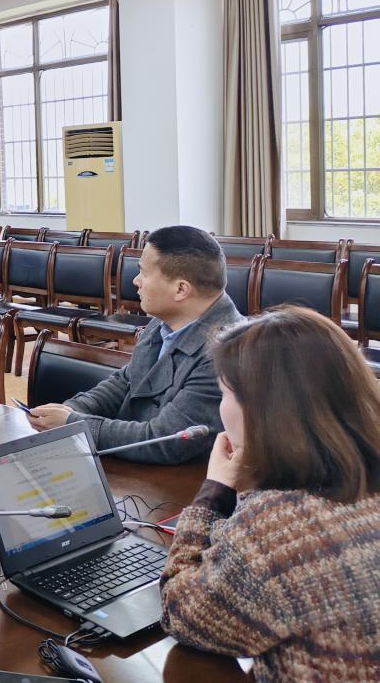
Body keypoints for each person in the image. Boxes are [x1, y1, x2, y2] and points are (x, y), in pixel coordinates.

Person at [159, 308, 380, 681]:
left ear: (264, 411)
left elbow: (181, 613)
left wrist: (213, 492)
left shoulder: (275, 531)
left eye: (224, 393)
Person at [27, 225, 242, 464]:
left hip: (182, 477)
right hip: (136, 462)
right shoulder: (164, 321)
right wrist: (73, 409)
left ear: (181, 289)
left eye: (144, 273)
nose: (136, 281)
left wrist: (76, 424)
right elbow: (126, 381)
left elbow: (165, 440)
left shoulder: (226, 352)